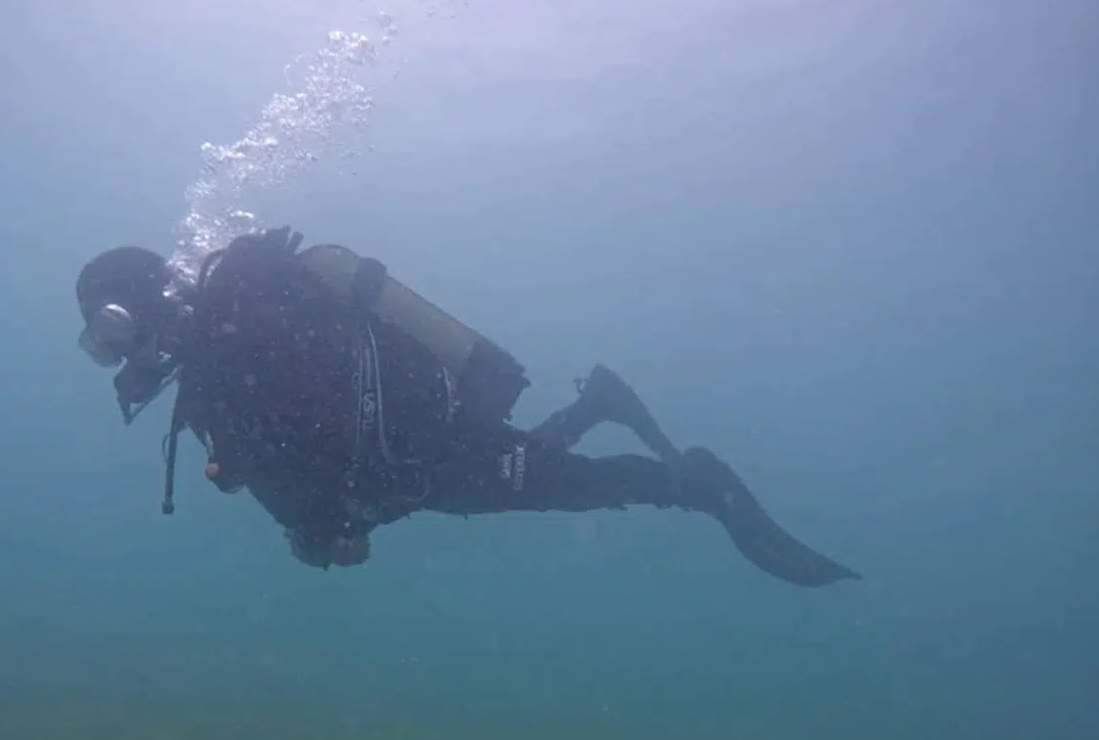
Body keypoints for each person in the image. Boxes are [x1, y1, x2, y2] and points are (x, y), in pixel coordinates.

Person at [74, 227, 860, 587]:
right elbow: (290, 461)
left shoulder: (249, 324)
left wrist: (329, 518)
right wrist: (318, 529)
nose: (119, 358)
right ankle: (598, 404)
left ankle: (704, 486)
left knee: (573, 486)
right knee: (537, 477)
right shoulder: (211, 378)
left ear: (140, 306)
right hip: (412, 477)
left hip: (431, 449)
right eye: (102, 347)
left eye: (111, 333)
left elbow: (317, 426)